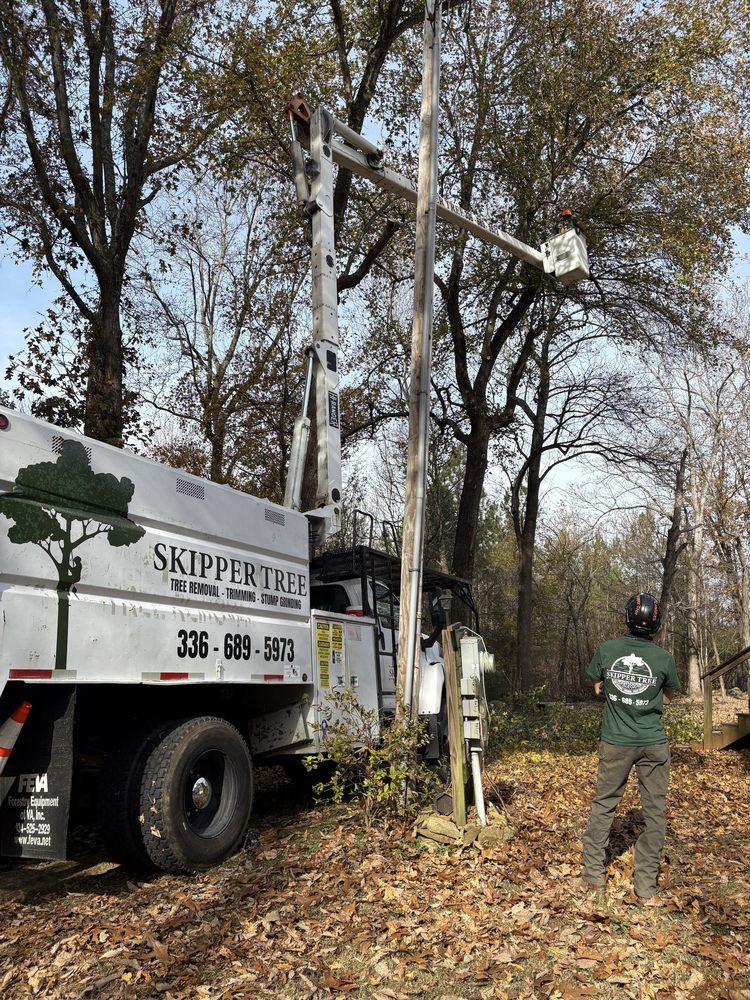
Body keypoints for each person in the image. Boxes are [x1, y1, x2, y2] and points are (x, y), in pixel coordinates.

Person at [581, 593, 680, 901]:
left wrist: (615, 692)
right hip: (653, 743)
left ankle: (593, 877)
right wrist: (645, 698)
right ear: (656, 623)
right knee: (654, 814)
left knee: (604, 805)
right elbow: (669, 695)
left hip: (616, 742)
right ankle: (646, 887)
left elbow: (596, 683)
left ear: (627, 618)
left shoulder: (607, 650)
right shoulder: (664, 658)